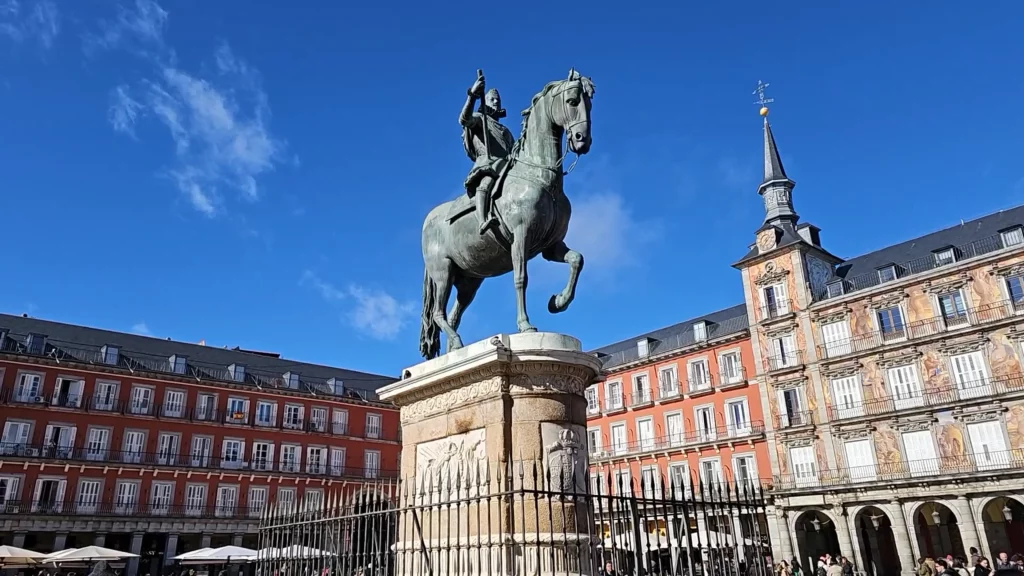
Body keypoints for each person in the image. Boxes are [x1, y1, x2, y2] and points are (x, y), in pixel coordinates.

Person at [458, 71, 516, 235]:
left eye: (498, 100)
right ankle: (483, 220)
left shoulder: (506, 130)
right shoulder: (479, 118)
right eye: (492, 99)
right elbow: (464, 119)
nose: (496, 101)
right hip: (488, 163)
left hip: (507, 167)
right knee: (487, 181)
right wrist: (473, 96)